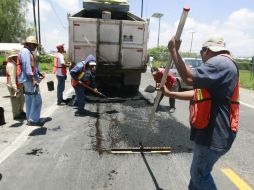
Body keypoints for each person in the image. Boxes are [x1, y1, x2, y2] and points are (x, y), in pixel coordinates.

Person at [160, 36, 239, 190]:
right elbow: (198, 94)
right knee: (196, 178)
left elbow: (188, 78)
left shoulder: (219, 63)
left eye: (201, 51)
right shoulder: (222, 66)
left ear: (207, 50)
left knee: (199, 175)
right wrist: (170, 94)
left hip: (214, 134)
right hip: (215, 132)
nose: (201, 56)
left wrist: (173, 51)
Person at [17, 36, 43, 126]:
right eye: (35, 45)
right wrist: (33, 80)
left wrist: (37, 73)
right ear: (30, 44)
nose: (35, 47)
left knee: (29, 99)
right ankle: (33, 120)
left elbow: (30, 66)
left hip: (27, 79)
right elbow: (27, 66)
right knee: (36, 99)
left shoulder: (26, 51)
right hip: (28, 79)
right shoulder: (25, 52)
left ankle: (30, 118)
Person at [5, 50, 25, 120]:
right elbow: (12, 77)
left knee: (22, 98)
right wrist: (15, 88)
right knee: (15, 101)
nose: (17, 58)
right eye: (16, 56)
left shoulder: (15, 63)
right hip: (13, 85)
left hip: (18, 84)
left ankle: (21, 111)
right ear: (13, 57)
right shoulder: (11, 65)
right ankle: (16, 115)